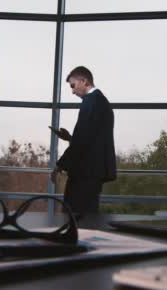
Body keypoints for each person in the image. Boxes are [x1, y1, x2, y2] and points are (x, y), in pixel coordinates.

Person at [51, 66, 116, 219]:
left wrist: (60, 165)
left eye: (73, 85)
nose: (72, 91)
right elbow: (91, 138)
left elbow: (83, 141)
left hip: (85, 173)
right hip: (93, 173)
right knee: (86, 217)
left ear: (84, 81)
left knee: (74, 217)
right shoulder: (101, 102)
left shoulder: (91, 102)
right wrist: (70, 139)